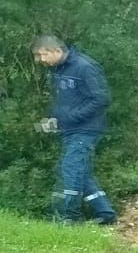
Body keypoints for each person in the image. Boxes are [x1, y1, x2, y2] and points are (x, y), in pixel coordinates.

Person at [33, 35, 116, 225]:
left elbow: (101, 99)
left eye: (42, 55)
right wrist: (53, 119)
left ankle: (69, 217)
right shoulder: (58, 69)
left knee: (70, 169)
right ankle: (105, 214)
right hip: (69, 129)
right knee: (81, 172)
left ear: (56, 50)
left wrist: (71, 117)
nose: (41, 60)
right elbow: (63, 101)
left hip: (85, 129)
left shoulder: (84, 67)